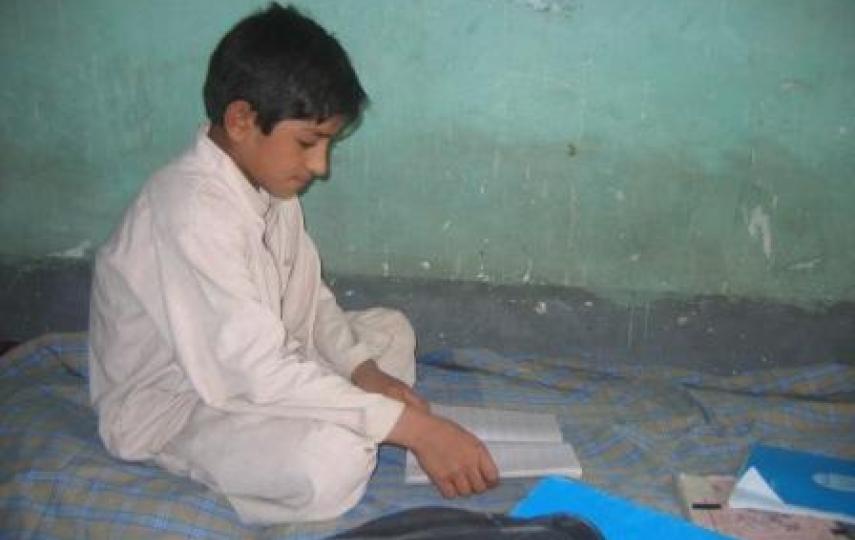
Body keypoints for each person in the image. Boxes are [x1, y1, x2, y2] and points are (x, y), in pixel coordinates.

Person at [87, 3, 498, 525]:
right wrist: (416, 430)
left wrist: (363, 371)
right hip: (181, 404)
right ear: (241, 120)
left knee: (390, 332)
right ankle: (306, 441)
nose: (320, 166)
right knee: (333, 463)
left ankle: (347, 410)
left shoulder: (270, 187)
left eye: (326, 144)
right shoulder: (189, 209)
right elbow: (250, 372)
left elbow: (311, 299)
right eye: (309, 142)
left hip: (253, 365)